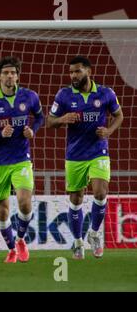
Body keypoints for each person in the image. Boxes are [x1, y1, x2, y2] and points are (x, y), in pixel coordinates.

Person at [47, 55, 123, 259]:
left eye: (77, 71)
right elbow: (49, 121)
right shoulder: (64, 95)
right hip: (75, 155)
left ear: (88, 72)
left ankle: (95, 234)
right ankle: (78, 241)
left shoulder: (106, 93)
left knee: (100, 192)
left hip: (98, 151)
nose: (73, 75)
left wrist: (108, 131)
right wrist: (63, 119)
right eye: (71, 71)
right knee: (76, 198)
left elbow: (119, 115)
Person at [0, 56, 44, 263]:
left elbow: (41, 117)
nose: (9, 76)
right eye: (5, 73)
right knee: (3, 210)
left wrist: (32, 130)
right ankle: (11, 249)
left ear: (17, 76)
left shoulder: (29, 96)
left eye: (13, 73)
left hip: (21, 158)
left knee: (25, 203)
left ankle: (21, 240)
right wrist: (0, 134)